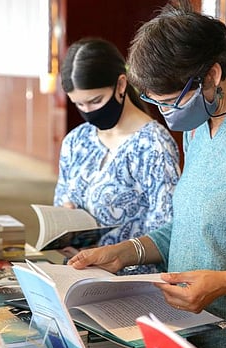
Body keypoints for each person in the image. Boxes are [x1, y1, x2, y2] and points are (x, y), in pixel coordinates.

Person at [68, 1, 226, 348]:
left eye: (171, 101)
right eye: (155, 102)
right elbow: (188, 227)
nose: (166, 115)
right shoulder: (199, 122)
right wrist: (126, 252)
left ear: (211, 75)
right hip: (185, 336)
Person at [55, 38, 180, 274]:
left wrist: (120, 256)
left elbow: (165, 231)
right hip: (79, 273)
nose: (88, 113)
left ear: (121, 85)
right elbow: (61, 198)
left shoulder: (153, 145)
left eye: (95, 101)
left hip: (130, 283)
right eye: (79, 105)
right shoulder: (76, 140)